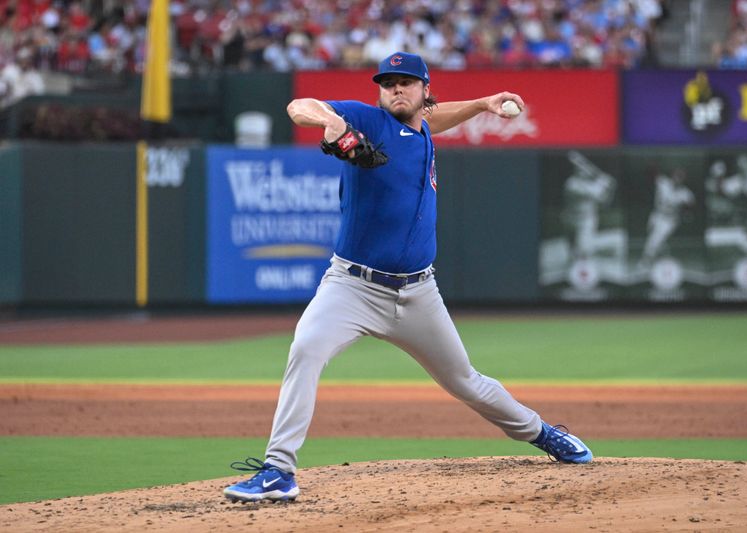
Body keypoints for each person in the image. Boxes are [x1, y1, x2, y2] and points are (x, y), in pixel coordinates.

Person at [223, 51, 593, 503]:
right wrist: (333, 125)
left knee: (466, 381)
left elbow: (433, 119)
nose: (395, 89)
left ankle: (543, 434)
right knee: (305, 348)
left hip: (419, 293)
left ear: (424, 90)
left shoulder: (421, 131)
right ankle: (279, 470)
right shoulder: (370, 121)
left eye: (405, 82)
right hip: (352, 287)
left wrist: (481, 104)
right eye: (388, 82)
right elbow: (301, 105)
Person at [641, 167, 695, 266]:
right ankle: (665, 254)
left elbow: (691, 205)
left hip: (670, 220)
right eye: (676, 176)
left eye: (681, 177)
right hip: (656, 214)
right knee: (652, 235)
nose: (678, 179)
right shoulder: (663, 182)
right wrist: (652, 165)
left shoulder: (685, 193)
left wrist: (687, 213)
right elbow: (649, 173)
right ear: (672, 176)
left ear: (683, 179)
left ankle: (646, 261)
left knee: (654, 239)